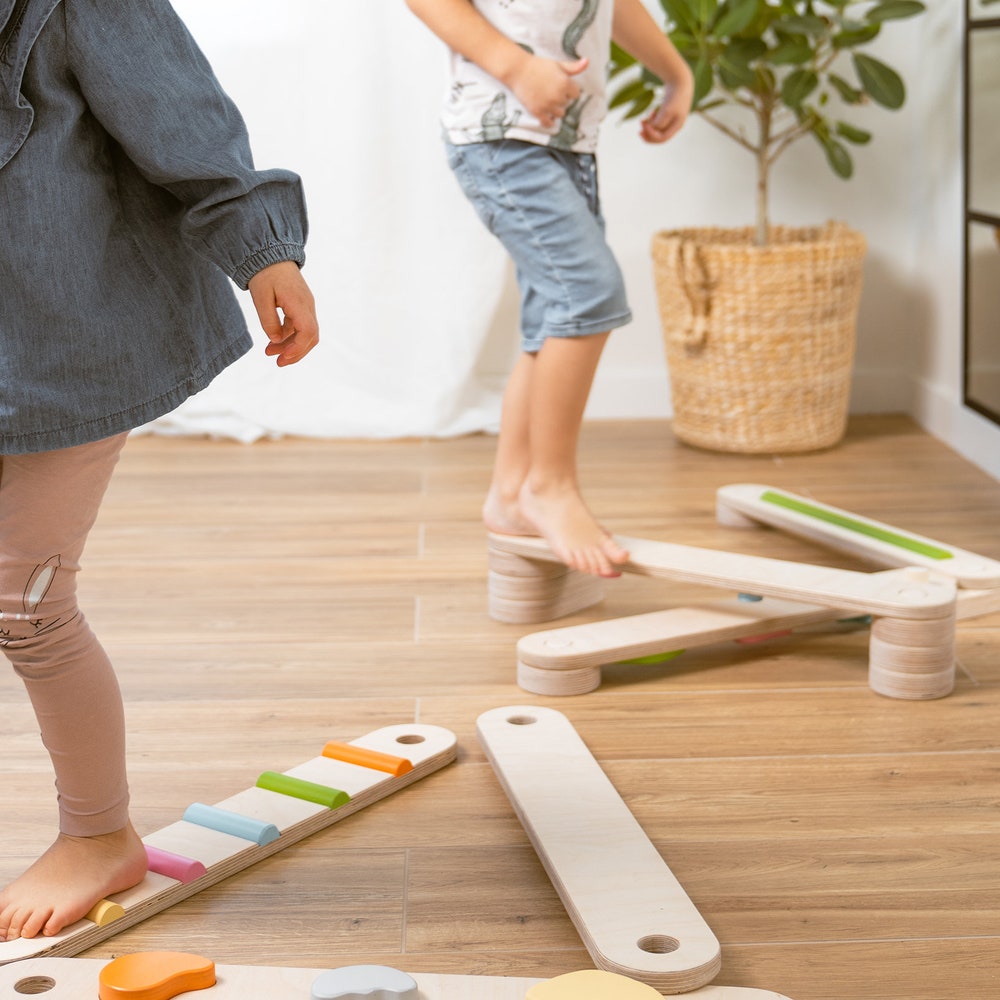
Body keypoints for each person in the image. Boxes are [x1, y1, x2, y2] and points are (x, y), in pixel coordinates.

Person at [0, 0, 319, 941]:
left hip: (69, 334)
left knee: (24, 599)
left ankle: (99, 835)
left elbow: (184, 116)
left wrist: (263, 250)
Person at [404, 0, 693, 578]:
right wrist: (516, 68)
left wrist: (676, 73)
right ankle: (550, 487)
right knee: (589, 295)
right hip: (502, 134)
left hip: (566, 141)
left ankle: (511, 493)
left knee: (554, 314)